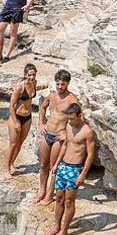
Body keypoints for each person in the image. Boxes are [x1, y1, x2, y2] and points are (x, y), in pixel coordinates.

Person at [44, 103, 97, 235]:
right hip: (63, 166)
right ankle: (56, 227)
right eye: (69, 119)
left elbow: (90, 155)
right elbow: (65, 145)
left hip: (75, 169)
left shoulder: (87, 132)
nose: (70, 121)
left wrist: (83, 174)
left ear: (80, 116)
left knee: (69, 201)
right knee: (59, 198)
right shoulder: (68, 126)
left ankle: (64, 231)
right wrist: (56, 164)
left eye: (73, 119)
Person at [34, 69, 78, 204]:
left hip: (59, 138)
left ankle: (49, 194)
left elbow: (77, 120)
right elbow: (42, 107)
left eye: (63, 84)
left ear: (68, 84)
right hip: (47, 133)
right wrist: (41, 123)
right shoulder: (52, 96)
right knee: (42, 165)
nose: (60, 87)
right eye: (58, 84)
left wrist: (66, 133)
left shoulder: (72, 99)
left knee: (54, 167)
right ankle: (41, 190)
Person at [4, 63, 40, 175]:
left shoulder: (34, 83)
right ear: (25, 74)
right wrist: (16, 122)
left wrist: (45, 86)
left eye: (34, 75)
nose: (32, 77)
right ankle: (6, 170)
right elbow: (11, 106)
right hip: (17, 116)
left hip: (27, 117)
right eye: (30, 75)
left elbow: (33, 91)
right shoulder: (20, 87)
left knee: (20, 143)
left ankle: (12, 163)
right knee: (13, 143)